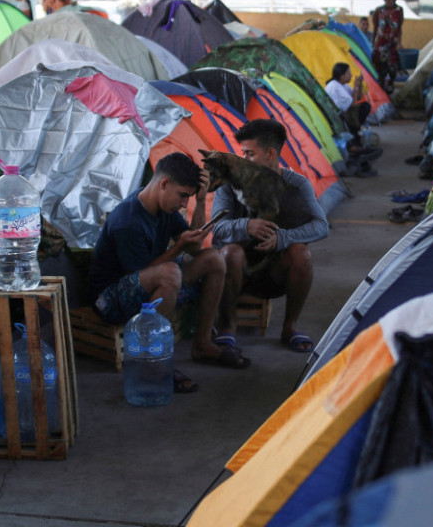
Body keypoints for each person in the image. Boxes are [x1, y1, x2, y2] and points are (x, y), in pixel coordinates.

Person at [89, 152, 248, 388]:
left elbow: (194, 248)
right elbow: (138, 274)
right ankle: (153, 364)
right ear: (164, 184)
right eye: (183, 196)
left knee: (213, 259)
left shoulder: (164, 209)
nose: (184, 204)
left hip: (153, 284)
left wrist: (202, 201)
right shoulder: (128, 220)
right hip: (111, 300)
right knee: (170, 272)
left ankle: (203, 344)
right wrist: (178, 248)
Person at [212, 119, 328, 355]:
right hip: (236, 271)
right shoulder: (228, 185)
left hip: (275, 273)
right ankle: (228, 326)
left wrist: (282, 238)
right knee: (230, 252)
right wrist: (247, 226)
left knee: (301, 253)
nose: (244, 160)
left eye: (249, 154)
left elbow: (321, 226)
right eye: (242, 153)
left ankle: (290, 327)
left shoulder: (298, 184)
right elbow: (217, 228)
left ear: (271, 153)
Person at [325, 62, 373, 153]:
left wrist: (359, 85)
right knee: (363, 108)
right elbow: (353, 102)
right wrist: (355, 86)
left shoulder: (343, 85)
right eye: (348, 73)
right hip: (338, 116)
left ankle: (355, 136)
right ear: (342, 76)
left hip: (344, 112)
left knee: (365, 106)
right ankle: (354, 138)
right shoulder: (335, 86)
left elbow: (358, 97)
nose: (350, 75)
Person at [369, 0, 403, 94]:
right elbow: (375, 27)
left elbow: (399, 27)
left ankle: (390, 84)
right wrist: (373, 43)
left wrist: (400, 42)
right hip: (380, 43)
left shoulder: (399, 11)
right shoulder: (378, 11)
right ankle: (381, 87)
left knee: (393, 67)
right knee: (380, 67)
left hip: (392, 43)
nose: (391, 1)